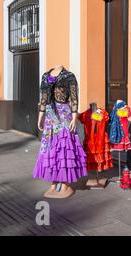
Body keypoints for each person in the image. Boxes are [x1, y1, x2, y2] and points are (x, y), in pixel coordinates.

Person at [33, 65, 87, 198]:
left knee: (64, 150)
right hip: (50, 118)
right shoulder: (46, 76)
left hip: (64, 116)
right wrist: (40, 117)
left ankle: (64, 183)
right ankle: (54, 181)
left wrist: (74, 117)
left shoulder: (69, 76)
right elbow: (44, 98)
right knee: (51, 150)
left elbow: (74, 98)